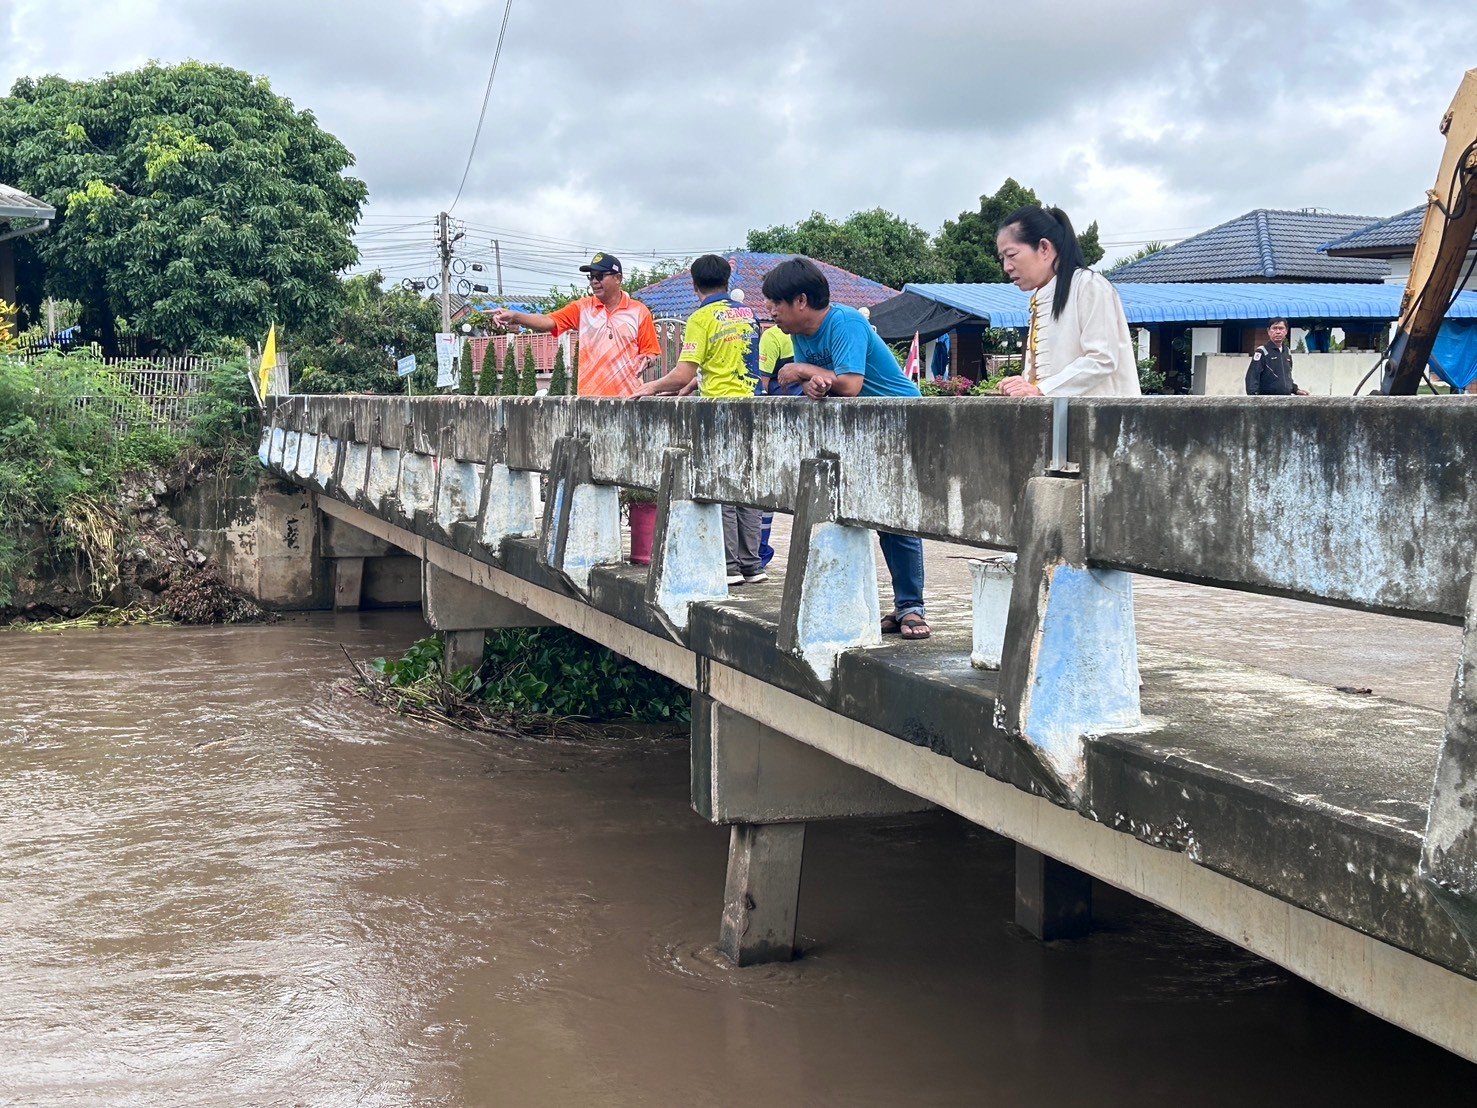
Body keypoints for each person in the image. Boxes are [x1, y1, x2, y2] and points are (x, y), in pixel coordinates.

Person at [761, 256, 930, 640]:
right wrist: (814, 382)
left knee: (894, 518)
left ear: (800, 301)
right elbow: (822, 386)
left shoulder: (846, 321)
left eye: (775, 304)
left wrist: (804, 373)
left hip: (897, 420)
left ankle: (911, 608)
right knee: (853, 513)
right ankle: (867, 603)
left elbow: (850, 385)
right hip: (858, 427)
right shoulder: (799, 335)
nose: (771, 312)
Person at [636, 255, 767, 584]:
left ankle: (729, 566)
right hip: (753, 406)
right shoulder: (748, 315)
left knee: (720, 485)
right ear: (728, 280)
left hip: (719, 411)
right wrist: (695, 383)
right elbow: (731, 359)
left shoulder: (701, 317)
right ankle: (752, 565)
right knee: (747, 486)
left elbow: (683, 372)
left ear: (694, 284)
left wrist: (650, 386)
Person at [994, 206, 1142, 398]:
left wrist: (1040, 390)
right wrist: (1023, 385)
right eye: (1002, 258)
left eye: (1011, 255)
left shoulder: (1089, 285)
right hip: (1058, 421)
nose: (1006, 267)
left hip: (1099, 421)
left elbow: (1102, 358)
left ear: (1044, 248)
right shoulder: (1042, 295)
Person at [489, 252, 660, 397]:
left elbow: (651, 352)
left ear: (618, 278)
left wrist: (647, 359)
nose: (594, 281)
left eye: (599, 276)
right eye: (591, 277)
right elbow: (548, 321)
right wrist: (516, 316)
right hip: (588, 400)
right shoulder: (582, 308)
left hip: (629, 398)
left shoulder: (639, 311)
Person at [1245, 317, 1308, 395]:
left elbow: (1287, 378)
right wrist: (1253, 400)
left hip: (1286, 400)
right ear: (1268, 331)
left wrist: (1296, 390)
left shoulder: (1287, 352)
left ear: (1286, 331)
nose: (1278, 332)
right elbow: (1252, 378)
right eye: (1274, 328)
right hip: (1267, 402)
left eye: (1281, 328)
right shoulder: (1262, 352)